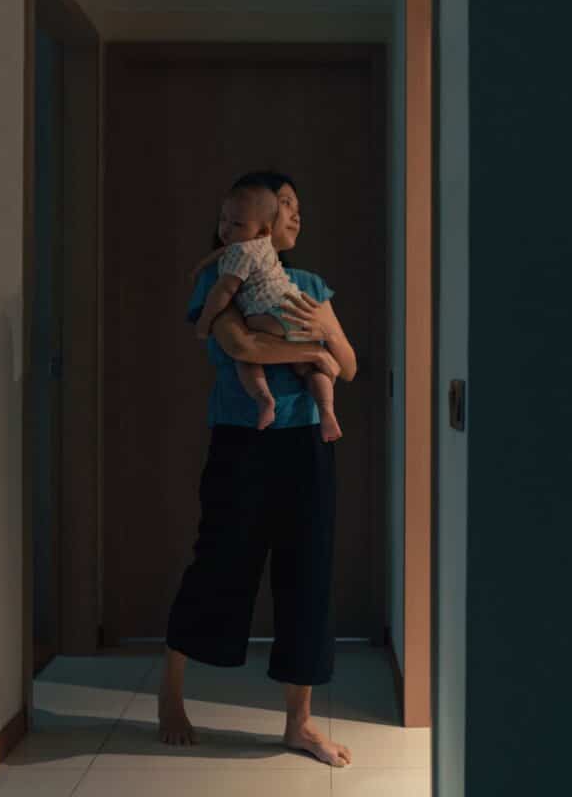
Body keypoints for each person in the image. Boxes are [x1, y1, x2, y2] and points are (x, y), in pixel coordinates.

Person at [158, 171, 357, 768]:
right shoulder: (220, 278)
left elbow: (348, 366)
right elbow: (241, 347)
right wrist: (313, 348)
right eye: (285, 204)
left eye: (297, 205)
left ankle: (300, 724)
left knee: (308, 572)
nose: (295, 214)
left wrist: (326, 337)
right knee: (219, 558)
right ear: (261, 222)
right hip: (242, 438)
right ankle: (170, 696)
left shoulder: (311, 285)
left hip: (307, 442)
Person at [192, 182, 342, 442]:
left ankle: (264, 399)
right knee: (310, 370)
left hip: (297, 423)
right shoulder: (258, 254)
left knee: (248, 358)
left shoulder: (239, 258)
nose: (294, 215)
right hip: (245, 422)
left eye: (236, 223)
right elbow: (224, 252)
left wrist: (205, 321)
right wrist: (318, 352)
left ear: (264, 228)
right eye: (285, 202)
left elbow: (242, 343)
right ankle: (327, 411)